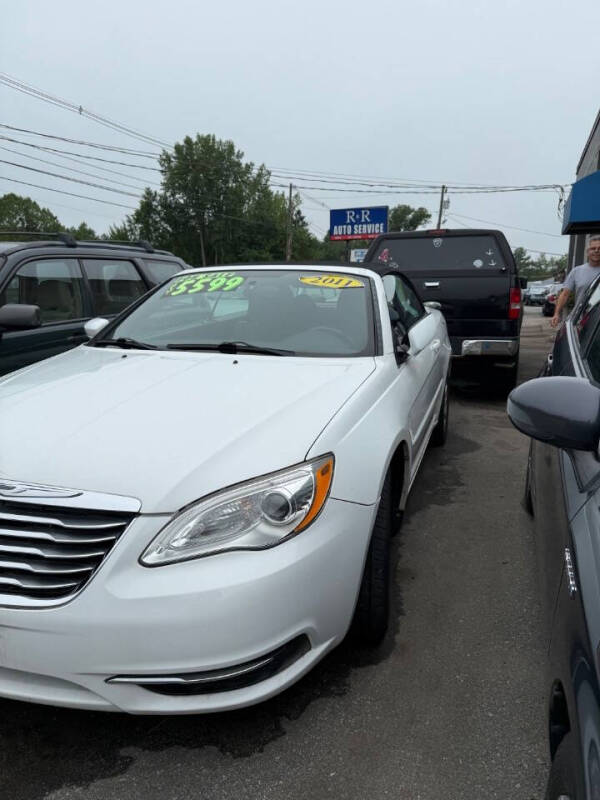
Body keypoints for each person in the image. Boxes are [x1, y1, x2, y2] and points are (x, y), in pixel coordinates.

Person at [551, 236, 600, 327]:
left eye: (599, 248)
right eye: (593, 248)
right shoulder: (577, 271)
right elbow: (565, 294)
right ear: (587, 251)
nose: (596, 251)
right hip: (579, 320)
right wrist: (557, 314)